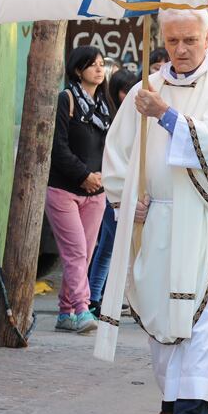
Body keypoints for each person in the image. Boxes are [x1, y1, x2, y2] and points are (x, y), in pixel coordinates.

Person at [101, 9, 208, 414]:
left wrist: (167, 115)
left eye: (190, 40)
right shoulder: (144, 90)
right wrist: (127, 197)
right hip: (159, 216)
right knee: (160, 304)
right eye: (172, 41)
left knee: (203, 312)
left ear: (206, 36)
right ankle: (171, 401)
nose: (181, 49)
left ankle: (194, 413)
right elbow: (119, 152)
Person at [47, 45, 112, 334]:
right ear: (77, 70)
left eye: (102, 64)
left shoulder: (105, 105)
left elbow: (113, 147)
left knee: (84, 253)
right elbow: (57, 147)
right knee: (75, 252)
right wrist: (84, 174)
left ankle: (65, 311)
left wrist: (102, 177)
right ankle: (83, 309)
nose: (100, 69)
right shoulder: (67, 99)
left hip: (97, 192)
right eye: (93, 65)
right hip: (64, 190)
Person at [88, 68, 139, 318]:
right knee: (116, 247)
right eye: (125, 91)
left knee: (108, 247)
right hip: (112, 190)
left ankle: (96, 298)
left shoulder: (134, 118)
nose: (130, 95)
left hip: (123, 190)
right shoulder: (110, 118)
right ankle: (100, 299)